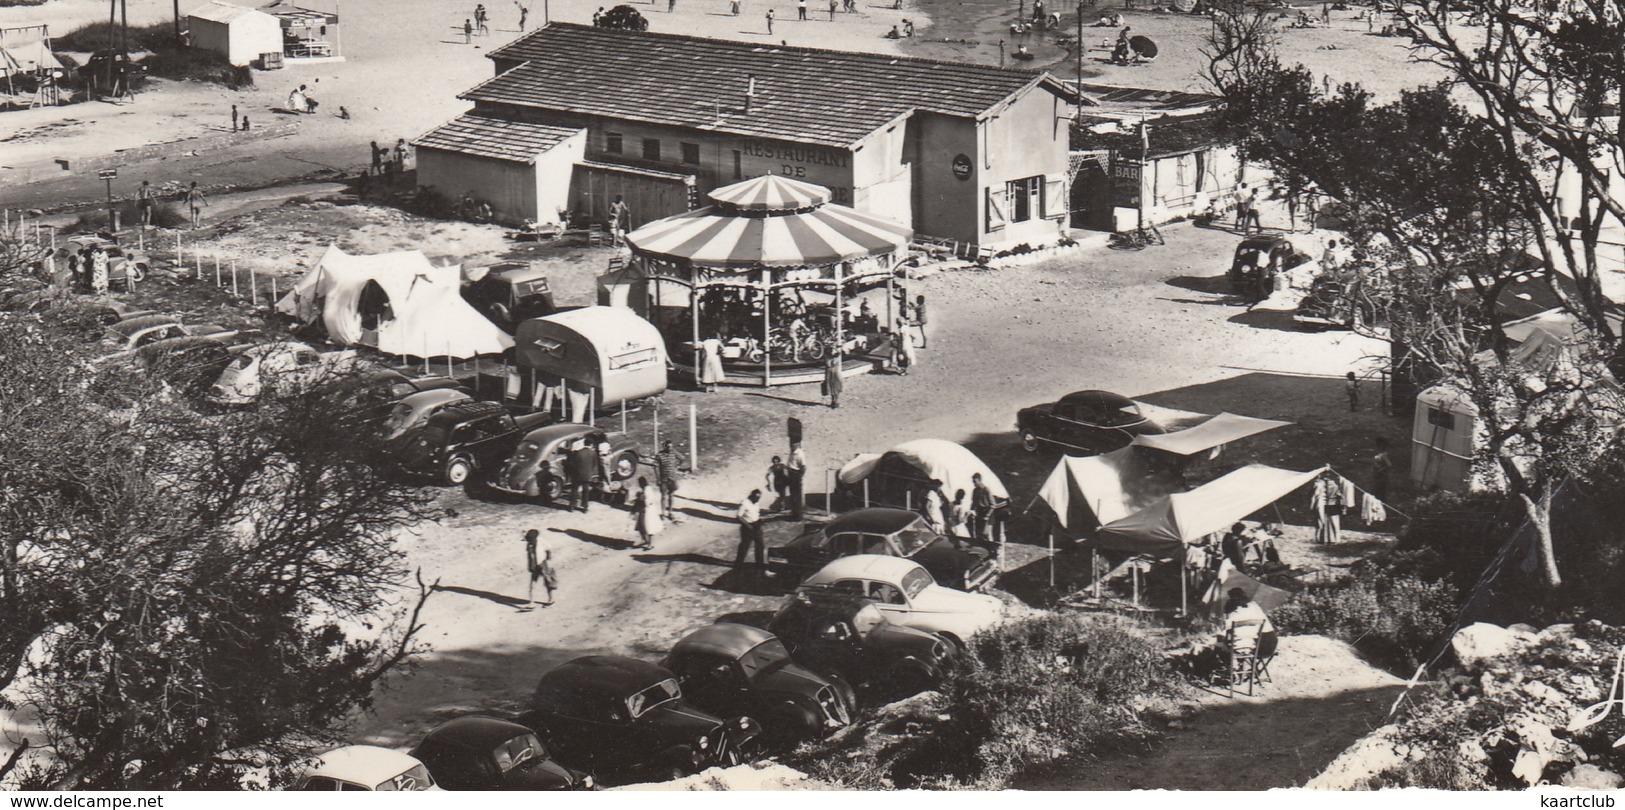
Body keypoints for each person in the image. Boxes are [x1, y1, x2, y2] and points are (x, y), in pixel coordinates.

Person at [521, 528, 556, 608]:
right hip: (534, 566)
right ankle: (531, 602)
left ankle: (551, 599)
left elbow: (549, 549)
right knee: (532, 584)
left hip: (543, 564)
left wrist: (548, 561)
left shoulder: (541, 541)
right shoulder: (529, 544)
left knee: (548, 582)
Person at [1311, 470, 1345, 544]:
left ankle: (1327, 539)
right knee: (1335, 523)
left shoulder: (1323, 485)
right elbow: (1340, 496)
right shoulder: (1336, 486)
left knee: (1327, 523)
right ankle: (1336, 539)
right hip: (1334, 505)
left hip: (1326, 505)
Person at [736, 490, 766, 570]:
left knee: (760, 545)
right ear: (752, 496)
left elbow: (756, 513)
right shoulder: (744, 503)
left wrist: (760, 520)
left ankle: (759, 564)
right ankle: (738, 564)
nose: (757, 499)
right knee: (744, 546)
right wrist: (747, 525)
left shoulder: (756, 503)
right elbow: (739, 516)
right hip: (747, 527)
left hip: (757, 525)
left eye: (759, 498)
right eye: (756, 497)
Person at [568, 439, 599, 512]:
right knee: (586, 491)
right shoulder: (593, 453)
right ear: (591, 445)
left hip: (577, 474)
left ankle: (572, 506)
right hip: (587, 475)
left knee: (574, 490)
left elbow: (574, 463)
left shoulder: (578, 452)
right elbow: (594, 464)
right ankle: (585, 507)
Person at [632, 477, 662, 550]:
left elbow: (646, 501)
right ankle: (645, 540)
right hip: (645, 510)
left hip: (648, 511)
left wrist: (639, 498)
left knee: (649, 527)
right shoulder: (646, 489)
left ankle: (649, 544)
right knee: (641, 526)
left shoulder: (647, 490)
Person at [655, 439, 682, 521]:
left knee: (671, 495)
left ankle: (670, 512)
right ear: (665, 446)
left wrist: (676, 466)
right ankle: (663, 513)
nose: (670, 448)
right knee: (663, 496)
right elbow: (656, 467)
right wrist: (658, 479)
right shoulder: (659, 455)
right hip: (664, 479)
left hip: (672, 478)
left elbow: (682, 458)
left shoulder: (674, 453)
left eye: (671, 446)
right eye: (668, 446)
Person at [970, 472, 993, 543]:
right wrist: (971, 511)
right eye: (973, 481)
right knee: (978, 535)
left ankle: (993, 550)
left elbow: (992, 505)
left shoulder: (986, 490)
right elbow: (974, 503)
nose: (974, 483)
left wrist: (987, 516)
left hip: (987, 514)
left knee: (987, 534)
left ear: (979, 480)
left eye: (975, 481)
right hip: (979, 514)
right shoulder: (975, 491)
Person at [786, 440, 806, 520]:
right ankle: (794, 514)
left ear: (797, 444)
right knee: (793, 496)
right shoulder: (792, 452)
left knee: (797, 496)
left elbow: (804, 467)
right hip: (791, 474)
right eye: (791, 444)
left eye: (794, 444)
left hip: (795, 475)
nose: (792, 446)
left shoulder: (800, 453)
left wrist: (799, 477)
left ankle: (798, 516)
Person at [1371, 437, 1392, 503]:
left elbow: (1389, 464)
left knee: (1380, 490)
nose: (1376, 447)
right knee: (1377, 490)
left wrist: (1381, 469)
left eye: (1378, 446)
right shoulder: (1379, 454)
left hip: (1382, 476)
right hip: (1377, 475)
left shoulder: (1383, 455)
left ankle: (1381, 503)